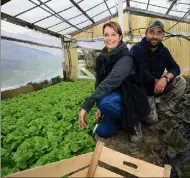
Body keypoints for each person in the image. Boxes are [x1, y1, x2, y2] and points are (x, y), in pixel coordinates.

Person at [79, 21, 150, 143]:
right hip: (115, 97)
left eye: (113, 34)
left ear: (120, 37)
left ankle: (133, 121)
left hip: (131, 97)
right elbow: (99, 83)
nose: (109, 38)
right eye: (106, 35)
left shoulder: (126, 58)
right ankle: (120, 120)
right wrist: (100, 109)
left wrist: (87, 105)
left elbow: (110, 82)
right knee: (102, 131)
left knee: (105, 102)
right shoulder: (102, 57)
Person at [130, 20, 186, 124]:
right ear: (146, 33)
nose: (155, 36)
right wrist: (156, 81)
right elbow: (140, 71)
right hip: (142, 91)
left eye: (159, 32)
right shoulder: (137, 49)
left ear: (163, 35)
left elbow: (175, 68)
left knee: (181, 81)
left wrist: (165, 79)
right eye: (152, 32)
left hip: (157, 89)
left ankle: (158, 106)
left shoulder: (163, 51)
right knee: (152, 119)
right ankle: (151, 108)